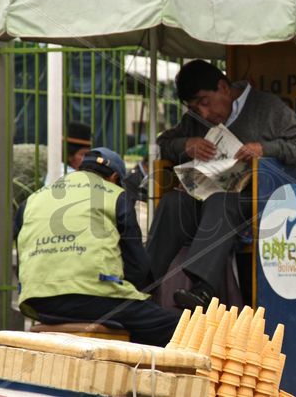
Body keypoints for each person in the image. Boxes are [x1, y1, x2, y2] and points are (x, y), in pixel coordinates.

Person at [147, 60, 296, 310]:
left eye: (205, 102)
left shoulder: (267, 108)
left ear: (223, 87)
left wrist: (266, 149)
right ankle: (143, 283)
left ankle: (202, 289)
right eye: (196, 108)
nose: (204, 114)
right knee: (173, 203)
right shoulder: (196, 120)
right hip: (206, 203)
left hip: (255, 206)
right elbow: (164, 143)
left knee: (221, 200)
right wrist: (186, 144)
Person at [15, 147, 179, 346]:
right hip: (92, 298)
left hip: (37, 302)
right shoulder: (116, 195)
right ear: (114, 177)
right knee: (174, 328)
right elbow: (138, 267)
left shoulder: (33, 199)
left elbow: (23, 247)